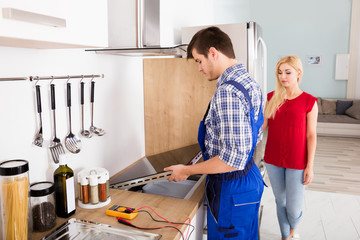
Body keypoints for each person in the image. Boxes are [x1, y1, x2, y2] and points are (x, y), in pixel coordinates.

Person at [164, 26, 265, 240]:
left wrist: (187, 171)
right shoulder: (248, 81)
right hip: (247, 179)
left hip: (231, 188)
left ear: (213, 52)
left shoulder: (227, 92)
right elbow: (255, 136)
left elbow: (232, 159)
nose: (199, 68)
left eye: (199, 61)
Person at [262, 55, 318, 240]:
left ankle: (294, 226)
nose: (282, 76)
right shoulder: (271, 97)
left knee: (293, 208)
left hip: (297, 161)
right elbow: (262, 126)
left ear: (298, 73)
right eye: (279, 72)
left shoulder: (309, 101)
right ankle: (286, 236)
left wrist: (309, 165)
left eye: (287, 72)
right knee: (280, 201)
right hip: (273, 159)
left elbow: (311, 135)